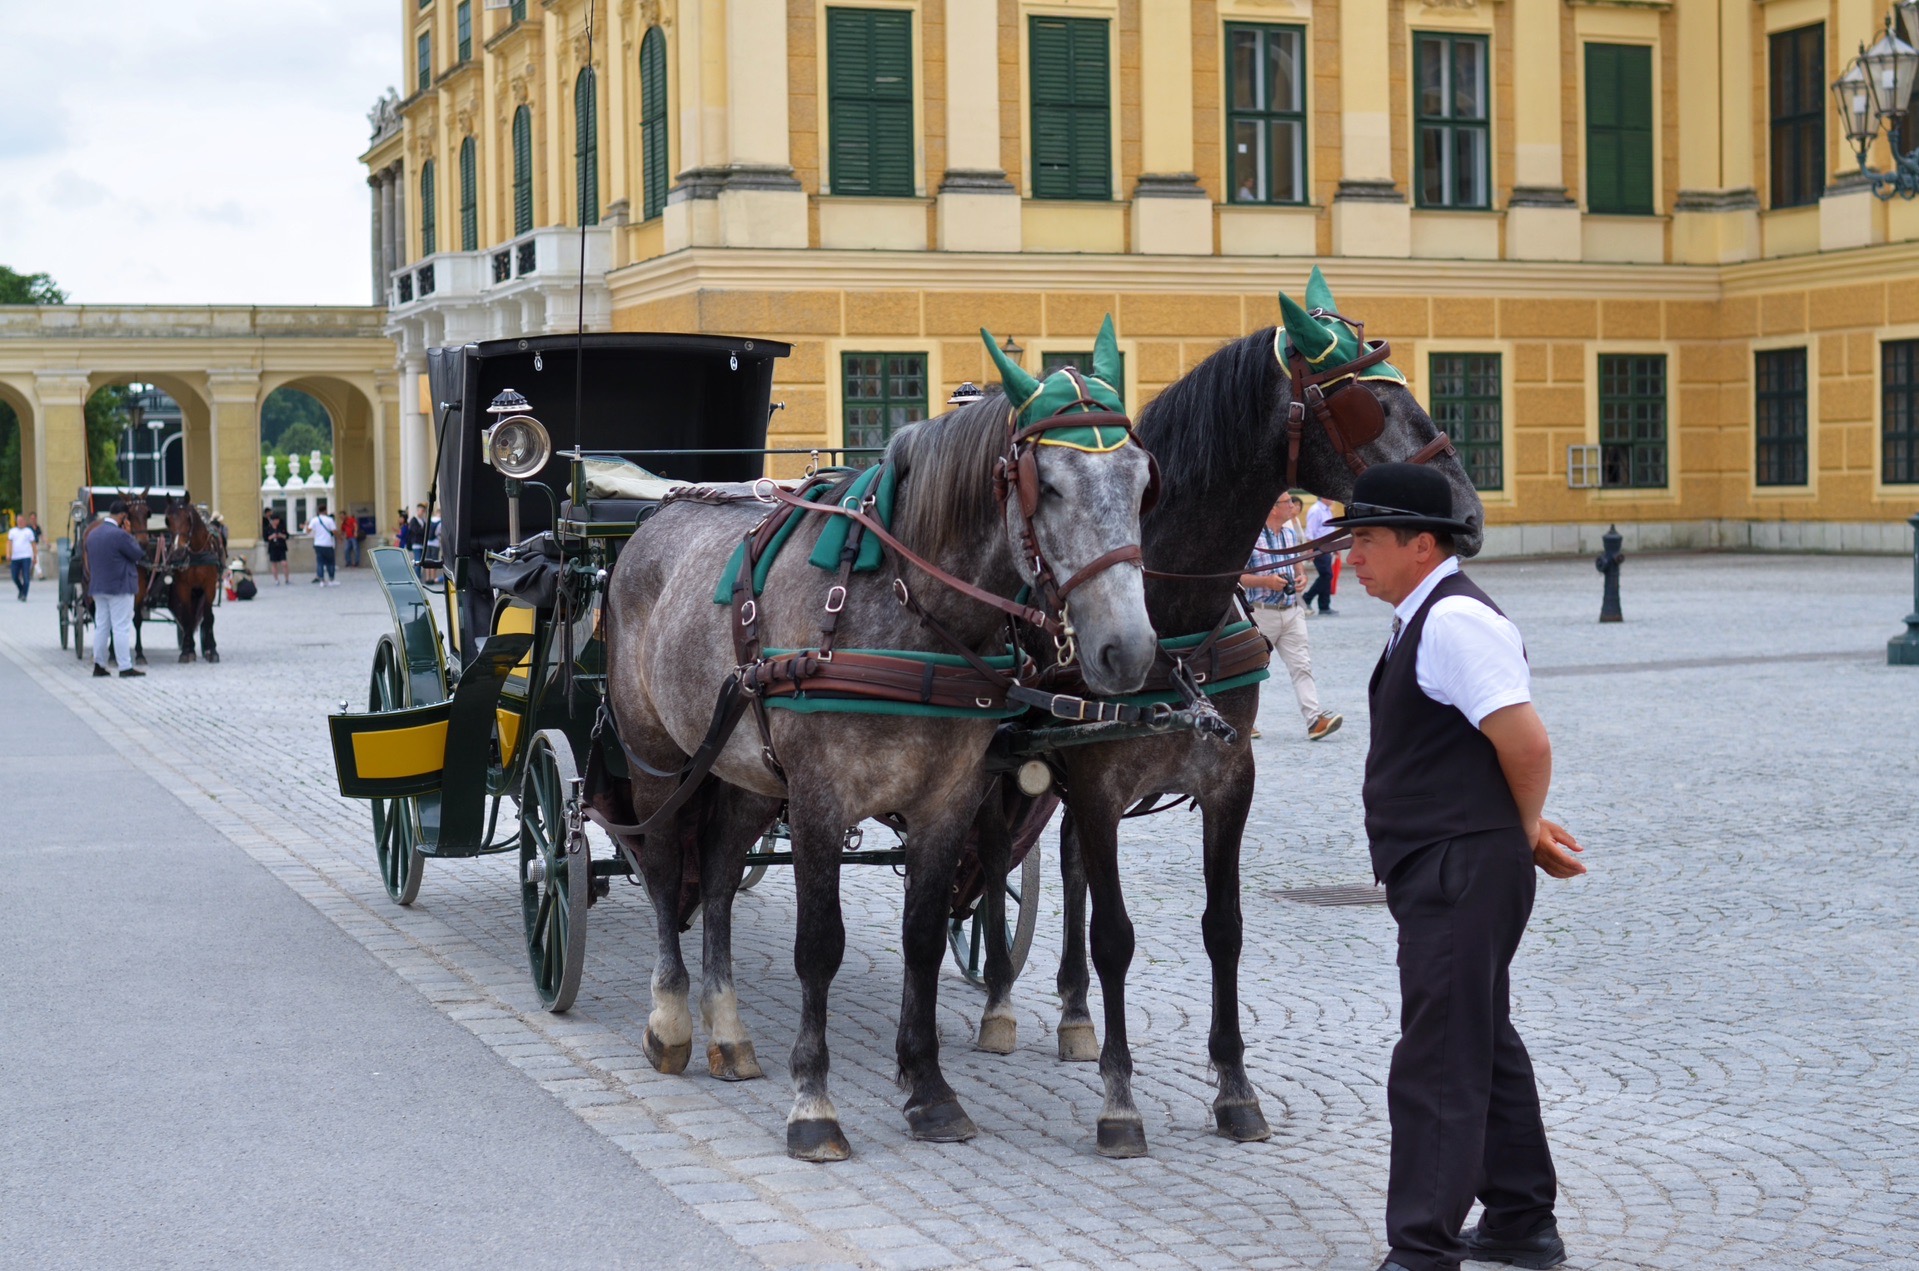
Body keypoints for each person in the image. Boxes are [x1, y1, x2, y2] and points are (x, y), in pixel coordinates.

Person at [1330, 464, 1585, 1271]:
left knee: (1438, 1052)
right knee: (1480, 1033)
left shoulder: (1453, 622)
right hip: (1452, 859)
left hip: (1460, 865)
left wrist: (1517, 828)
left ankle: (1421, 1248)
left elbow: (1526, 741)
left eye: (1365, 540)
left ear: (1421, 542)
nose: (1351, 558)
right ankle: (1517, 1217)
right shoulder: (1423, 614)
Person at [1240, 492, 1342, 742]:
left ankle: (1315, 721)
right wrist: (1265, 581)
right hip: (1263, 614)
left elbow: (1298, 565)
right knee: (1252, 670)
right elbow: (1238, 576)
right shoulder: (1250, 536)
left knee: (1302, 666)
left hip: (1292, 611)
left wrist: (1301, 578)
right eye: (1287, 502)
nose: (1294, 505)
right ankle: (1245, 722)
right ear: (1273, 508)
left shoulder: (1289, 533)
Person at [85, 501, 146, 678]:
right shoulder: (120, 535)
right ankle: (125, 667)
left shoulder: (93, 535)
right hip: (120, 587)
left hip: (98, 587)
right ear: (123, 517)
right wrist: (128, 534)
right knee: (121, 627)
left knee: (101, 626)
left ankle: (99, 665)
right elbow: (137, 553)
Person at [1302, 495, 1339, 615]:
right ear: (1323, 497)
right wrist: (1310, 549)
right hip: (1318, 546)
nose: (1333, 498)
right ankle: (1307, 598)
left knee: (1327, 575)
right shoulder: (1316, 510)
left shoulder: (1327, 510)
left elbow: (1328, 530)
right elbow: (1310, 531)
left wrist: (1334, 547)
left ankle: (1324, 606)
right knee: (1326, 575)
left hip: (1327, 547)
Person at [8, 515, 37, 601]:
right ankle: (21, 589)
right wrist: (8, 553)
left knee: (26, 577)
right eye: (18, 520)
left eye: (21, 520)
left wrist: (35, 556)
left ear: (24, 521)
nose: (20, 522)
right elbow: (9, 543)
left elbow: (33, 544)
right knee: (14, 577)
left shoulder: (28, 531)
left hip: (26, 557)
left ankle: (24, 595)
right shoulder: (12, 531)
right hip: (15, 557)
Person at [308, 506, 338, 586]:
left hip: (318, 544)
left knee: (320, 563)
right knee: (330, 563)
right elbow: (334, 531)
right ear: (325, 510)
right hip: (328, 544)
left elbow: (308, 530)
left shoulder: (314, 520)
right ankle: (331, 579)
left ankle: (321, 580)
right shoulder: (329, 520)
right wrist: (340, 538)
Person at [265, 513, 290, 584]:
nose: (276, 521)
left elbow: (287, 536)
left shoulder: (282, 527)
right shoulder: (268, 528)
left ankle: (287, 579)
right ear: (272, 521)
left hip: (281, 547)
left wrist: (281, 535)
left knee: (284, 563)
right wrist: (272, 536)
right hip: (273, 547)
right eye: (275, 520)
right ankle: (276, 580)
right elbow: (266, 538)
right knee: (274, 564)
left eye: (277, 520)